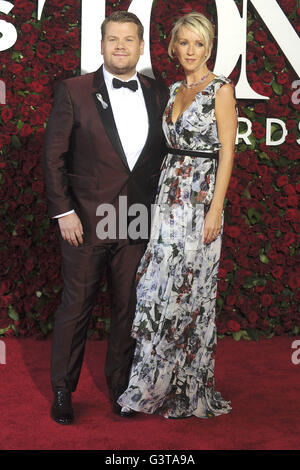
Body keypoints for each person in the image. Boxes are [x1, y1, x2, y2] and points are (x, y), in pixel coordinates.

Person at [42, 11, 168, 425]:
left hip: (134, 218)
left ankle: (121, 389)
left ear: (140, 45)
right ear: (100, 45)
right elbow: (54, 157)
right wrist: (64, 212)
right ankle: (63, 389)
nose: (120, 47)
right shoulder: (74, 91)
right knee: (76, 308)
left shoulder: (157, 92)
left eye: (129, 40)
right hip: (86, 220)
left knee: (127, 308)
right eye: (113, 39)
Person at [117, 12, 238, 419]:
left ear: (209, 48)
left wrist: (215, 209)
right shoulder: (171, 90)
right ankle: (149, 387)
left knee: (189, 295)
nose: (190, 51)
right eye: (184, 43)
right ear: (173, 47)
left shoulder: (221, 90)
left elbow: (227, 152)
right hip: (168, 199)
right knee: (155, 289)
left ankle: (187, 388)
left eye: (198, 44)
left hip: (200, 201)